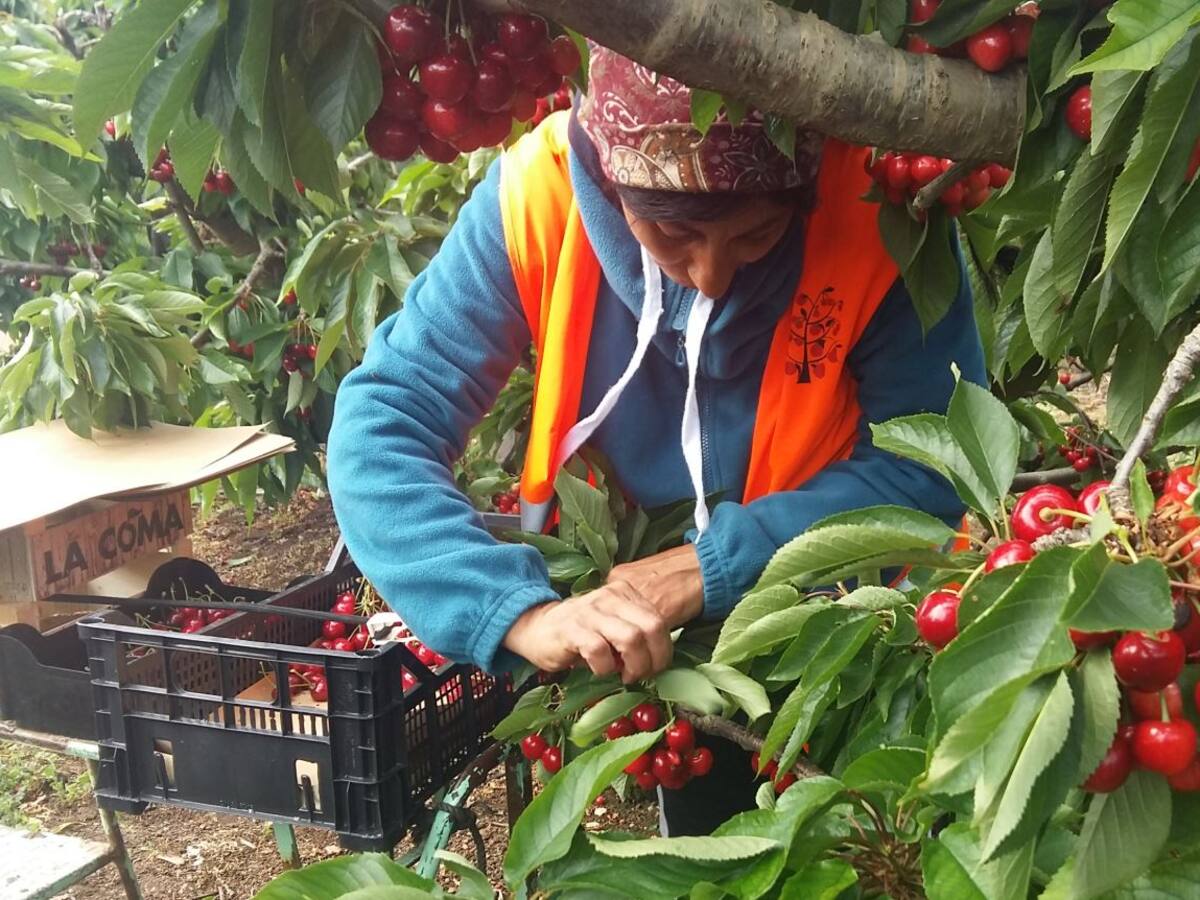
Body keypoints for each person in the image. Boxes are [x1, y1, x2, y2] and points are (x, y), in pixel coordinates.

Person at [327, 44, 985, 835]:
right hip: (660, 642)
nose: (710, 275)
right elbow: (383, 422)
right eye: (670, 236)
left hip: (852, 621)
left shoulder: (878, 205)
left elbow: (938, 466)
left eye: (755, 237)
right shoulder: (537, 199)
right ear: (607, 182)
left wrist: (716, 565)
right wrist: (514, 613)